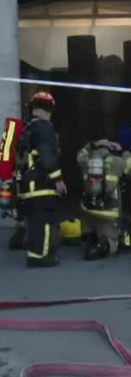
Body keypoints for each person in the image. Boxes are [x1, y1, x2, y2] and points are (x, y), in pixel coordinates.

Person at [14, 92, 66, 267]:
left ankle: (38, 253)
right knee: (43, 220)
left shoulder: (28, 128)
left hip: (28, 186)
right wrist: (58, 180)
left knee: (35, 221)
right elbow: (47, 156)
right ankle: (39, 257)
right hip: (41, 184)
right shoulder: (44, 128)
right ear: (50, 109)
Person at [77, 134, 131, 260]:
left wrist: (95, 143)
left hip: (88, 210)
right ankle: (103, 244)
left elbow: (80, 153)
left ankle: (90, 238)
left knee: (89, 220)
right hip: (108, 212)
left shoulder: (86, 161)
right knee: (112, 244)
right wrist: (122, 150)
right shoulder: (116, 162)